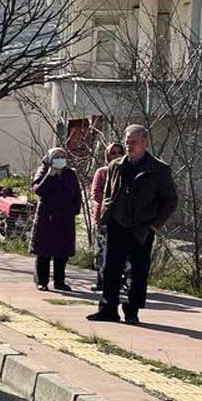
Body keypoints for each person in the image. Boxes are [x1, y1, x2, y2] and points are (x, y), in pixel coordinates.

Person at [87, 124, 178, 325]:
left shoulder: (158, 169)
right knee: (111, 269)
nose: (129, 146)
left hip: (141, 228)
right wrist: (107, 216)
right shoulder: (116, 166)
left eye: (133, 142)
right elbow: (109, 194)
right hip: (117, 224)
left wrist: (154, 225)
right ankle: (107, 309)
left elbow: (170, 201)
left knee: (137, 273)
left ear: (144, 143)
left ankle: (132, 310)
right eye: (127, 142)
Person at [31, 147, 81, 291]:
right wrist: (50, 175)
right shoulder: (42, 172)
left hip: (65, 217)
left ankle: (60, 281)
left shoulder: (70, 174)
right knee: (44, 252)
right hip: (47, 217)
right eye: (57, 156)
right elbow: (39, 191)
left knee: (62, 252)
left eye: (62, 156)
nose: (60, 159)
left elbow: (77, 194)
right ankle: (42, 281)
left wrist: (74, 210)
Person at [90, 141, 126, 292]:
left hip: (122, 218)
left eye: (119, 152)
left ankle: (121, 280)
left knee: (122, 252)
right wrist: (106, 206)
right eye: (113, 153)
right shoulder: (102, 172)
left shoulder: (127, 171)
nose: (117, 155)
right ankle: (101, 279)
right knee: (102, 250)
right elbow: (96, 193)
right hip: (104, 218)